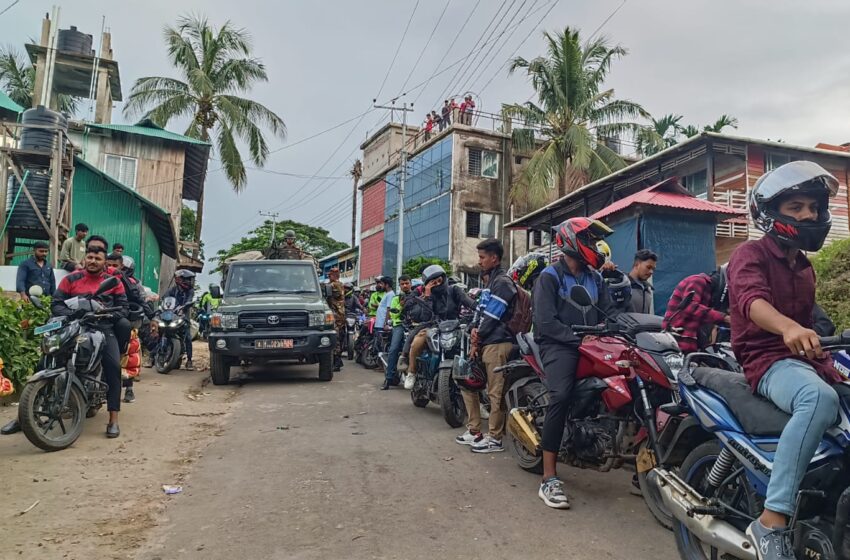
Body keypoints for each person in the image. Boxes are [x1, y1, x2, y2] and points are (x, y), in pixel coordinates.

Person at [727, 160, 842, 559]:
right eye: (797, 207)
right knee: (819, 400)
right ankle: (771, 520)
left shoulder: (805, 268)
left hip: (807, 361)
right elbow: (751, 301)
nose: (809, 214)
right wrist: (787, 328)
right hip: (767, 361)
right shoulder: (749, 254)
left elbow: (813, 323)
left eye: (813, 207)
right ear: (770, 213)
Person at [533, 217, 619, 509]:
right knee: (560, 396)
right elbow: (545, 322)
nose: (594, 247)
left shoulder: (595, 278)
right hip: (558, 344)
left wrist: (623, 329)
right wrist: (575, 339)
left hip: (592, 343)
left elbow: (609, 313)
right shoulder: (549, 277)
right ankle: (549, 478)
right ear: (571, 242)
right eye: (589, 241)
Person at [52, 246, 128, 438]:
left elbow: (123, 308)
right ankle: (25, 416)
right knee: (47, 356)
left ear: (104, 263)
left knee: (113, 367)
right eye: (90, 257)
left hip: (102, 328)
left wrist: (106, 313)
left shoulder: (113, 282)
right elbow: (56, 304)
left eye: (98, 258)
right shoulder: (70, 279)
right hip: (74, 325)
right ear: (85, 259)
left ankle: (113, 419)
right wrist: (72, 313)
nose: (93, 261)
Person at [456, 238, 516, 453]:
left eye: (482, 257)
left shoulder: (503, 283)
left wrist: (477, 336)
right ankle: (474, 430)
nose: (479, 261)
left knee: (495, 392)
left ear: (494, 258)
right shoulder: (490, 283)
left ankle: (495, 438)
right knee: (467, 382)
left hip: (498, 344)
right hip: (485, 342)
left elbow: (491, 317)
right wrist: (474, 329)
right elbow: (479, 313)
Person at [403, 265, 475, 390]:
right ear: (427, 285)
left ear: (444, 279)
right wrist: (428, 296)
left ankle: (473, 376)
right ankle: (411, 372)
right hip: (433, 327)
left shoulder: (454, 290)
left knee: (472, 343)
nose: (437, 283)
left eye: (439, 281)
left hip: (455, 326)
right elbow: (424, 316)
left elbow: (468, 302)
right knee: (417, 342)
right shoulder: (427, 296)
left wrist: (480, 308)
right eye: (433, 282)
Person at [663, 266, 730, 353]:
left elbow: (705, 316)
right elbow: (690, 307)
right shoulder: (698, 281)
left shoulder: (708, 295)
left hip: (689, 344)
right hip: (677, 343)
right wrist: (724, 318)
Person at [381, 275, 412, 390]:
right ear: (399, 285)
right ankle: (388, 378)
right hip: (399, 325)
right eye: (402, 284)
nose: (405, 285)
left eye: (407, 283)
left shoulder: (417, 296)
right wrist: (401, 305)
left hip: (414, 325)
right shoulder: (395, 298)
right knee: (393, 349)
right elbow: (393, 315)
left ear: (411, 284)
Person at [164, 269, 196, 370]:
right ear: (179, 279)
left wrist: (187, 304)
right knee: (159, 331)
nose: (189, 282)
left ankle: (189, 360)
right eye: (187, 279)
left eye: (190, 279)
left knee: (188, 337)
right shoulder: (172, 290)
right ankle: (152, 356)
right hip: (171, 315)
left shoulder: (190, 291)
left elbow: (189, 300)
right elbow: (165, 298)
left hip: (183, 316)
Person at [326, 267, 346, 372]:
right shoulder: (334, 284)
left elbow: (328, 291)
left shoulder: (336, 285)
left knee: (336, 338)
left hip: (337, 316)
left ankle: (337, 361)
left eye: (331, 274)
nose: (329, 276)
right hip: (337, 315)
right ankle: (336, 360)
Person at [628, 249, 657, 314]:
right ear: (637, 264)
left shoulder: (648, 290)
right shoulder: (622, 285)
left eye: (653, 269)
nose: (651, 272)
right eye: (648, 267)